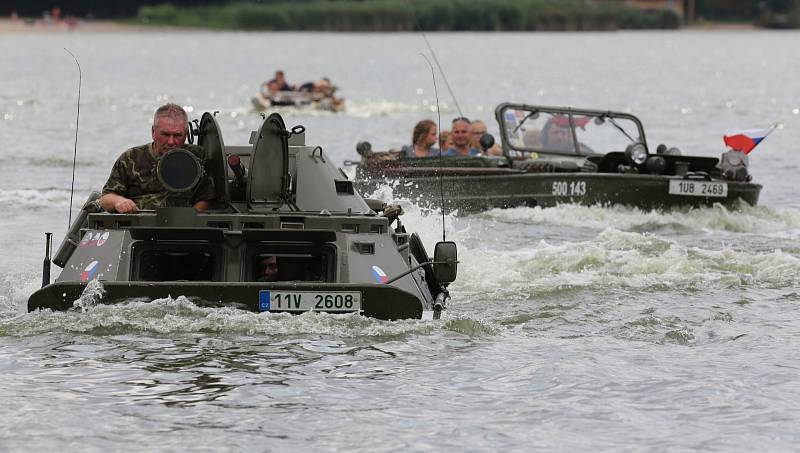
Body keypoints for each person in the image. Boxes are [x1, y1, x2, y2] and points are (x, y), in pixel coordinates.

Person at [99, 103, 215, 213]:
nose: (171, 142)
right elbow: (106, 198)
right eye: (165, 134)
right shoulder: (131, 158)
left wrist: (190, 217)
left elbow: (206, 198)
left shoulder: (197, 158)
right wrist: (119, 201)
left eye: (177, 135)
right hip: (138, 221)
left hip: (183, 221)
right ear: (153, 132)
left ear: (186, 134)